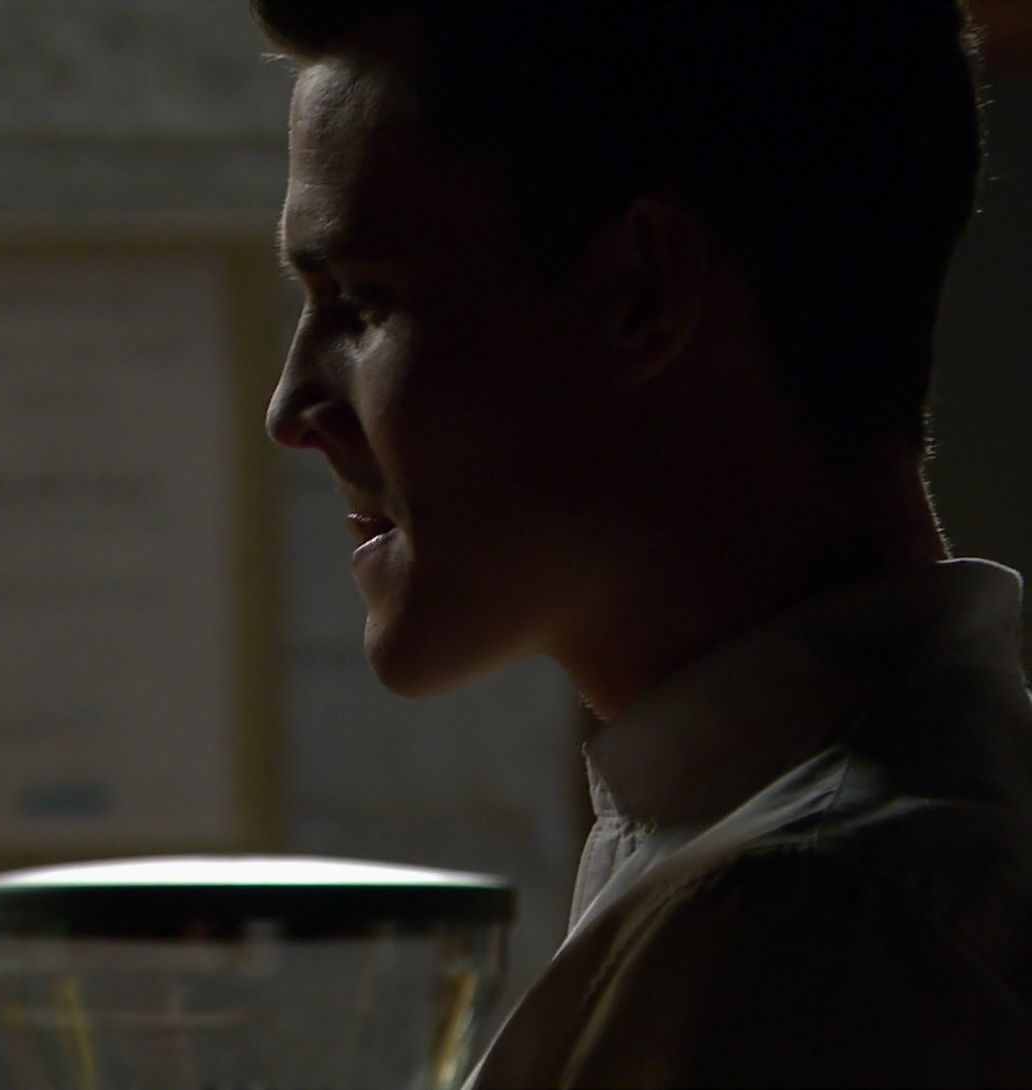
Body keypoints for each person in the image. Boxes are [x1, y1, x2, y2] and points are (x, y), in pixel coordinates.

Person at [253, 1, 1032, 1086]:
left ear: (644, 287)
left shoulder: (822, 938)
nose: (291, 410)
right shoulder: (786, 869)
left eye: (362, 302)